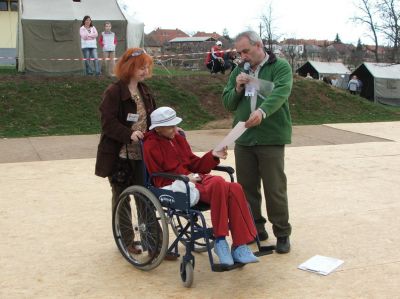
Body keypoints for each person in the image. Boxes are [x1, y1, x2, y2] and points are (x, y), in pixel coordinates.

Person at [143, 107, 259, 266]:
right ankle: (220, 241)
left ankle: (239, 245)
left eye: (175, 125)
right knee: (219, 182)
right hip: (176, 186)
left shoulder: (178, 139)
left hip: (195, 179)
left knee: (236, 188)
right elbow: (158, 179)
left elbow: (195, 164)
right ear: (157, 128)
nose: (175, 129)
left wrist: (213, 155)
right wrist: (184, 178)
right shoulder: (150, 145)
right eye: (170, 126)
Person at [222, 31, 292, 254]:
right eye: (240, 52)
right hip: (244, 138)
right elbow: (228, 103)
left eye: (246, 51)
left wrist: (262, 112)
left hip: (270, 137)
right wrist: (237, 88)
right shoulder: (238, 70)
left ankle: (282, 233)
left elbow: (280, 92)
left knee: (275, 188)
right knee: (247, 189)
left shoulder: (280, 66)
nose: (243, 56)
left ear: (259, 45)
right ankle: (255, 229)